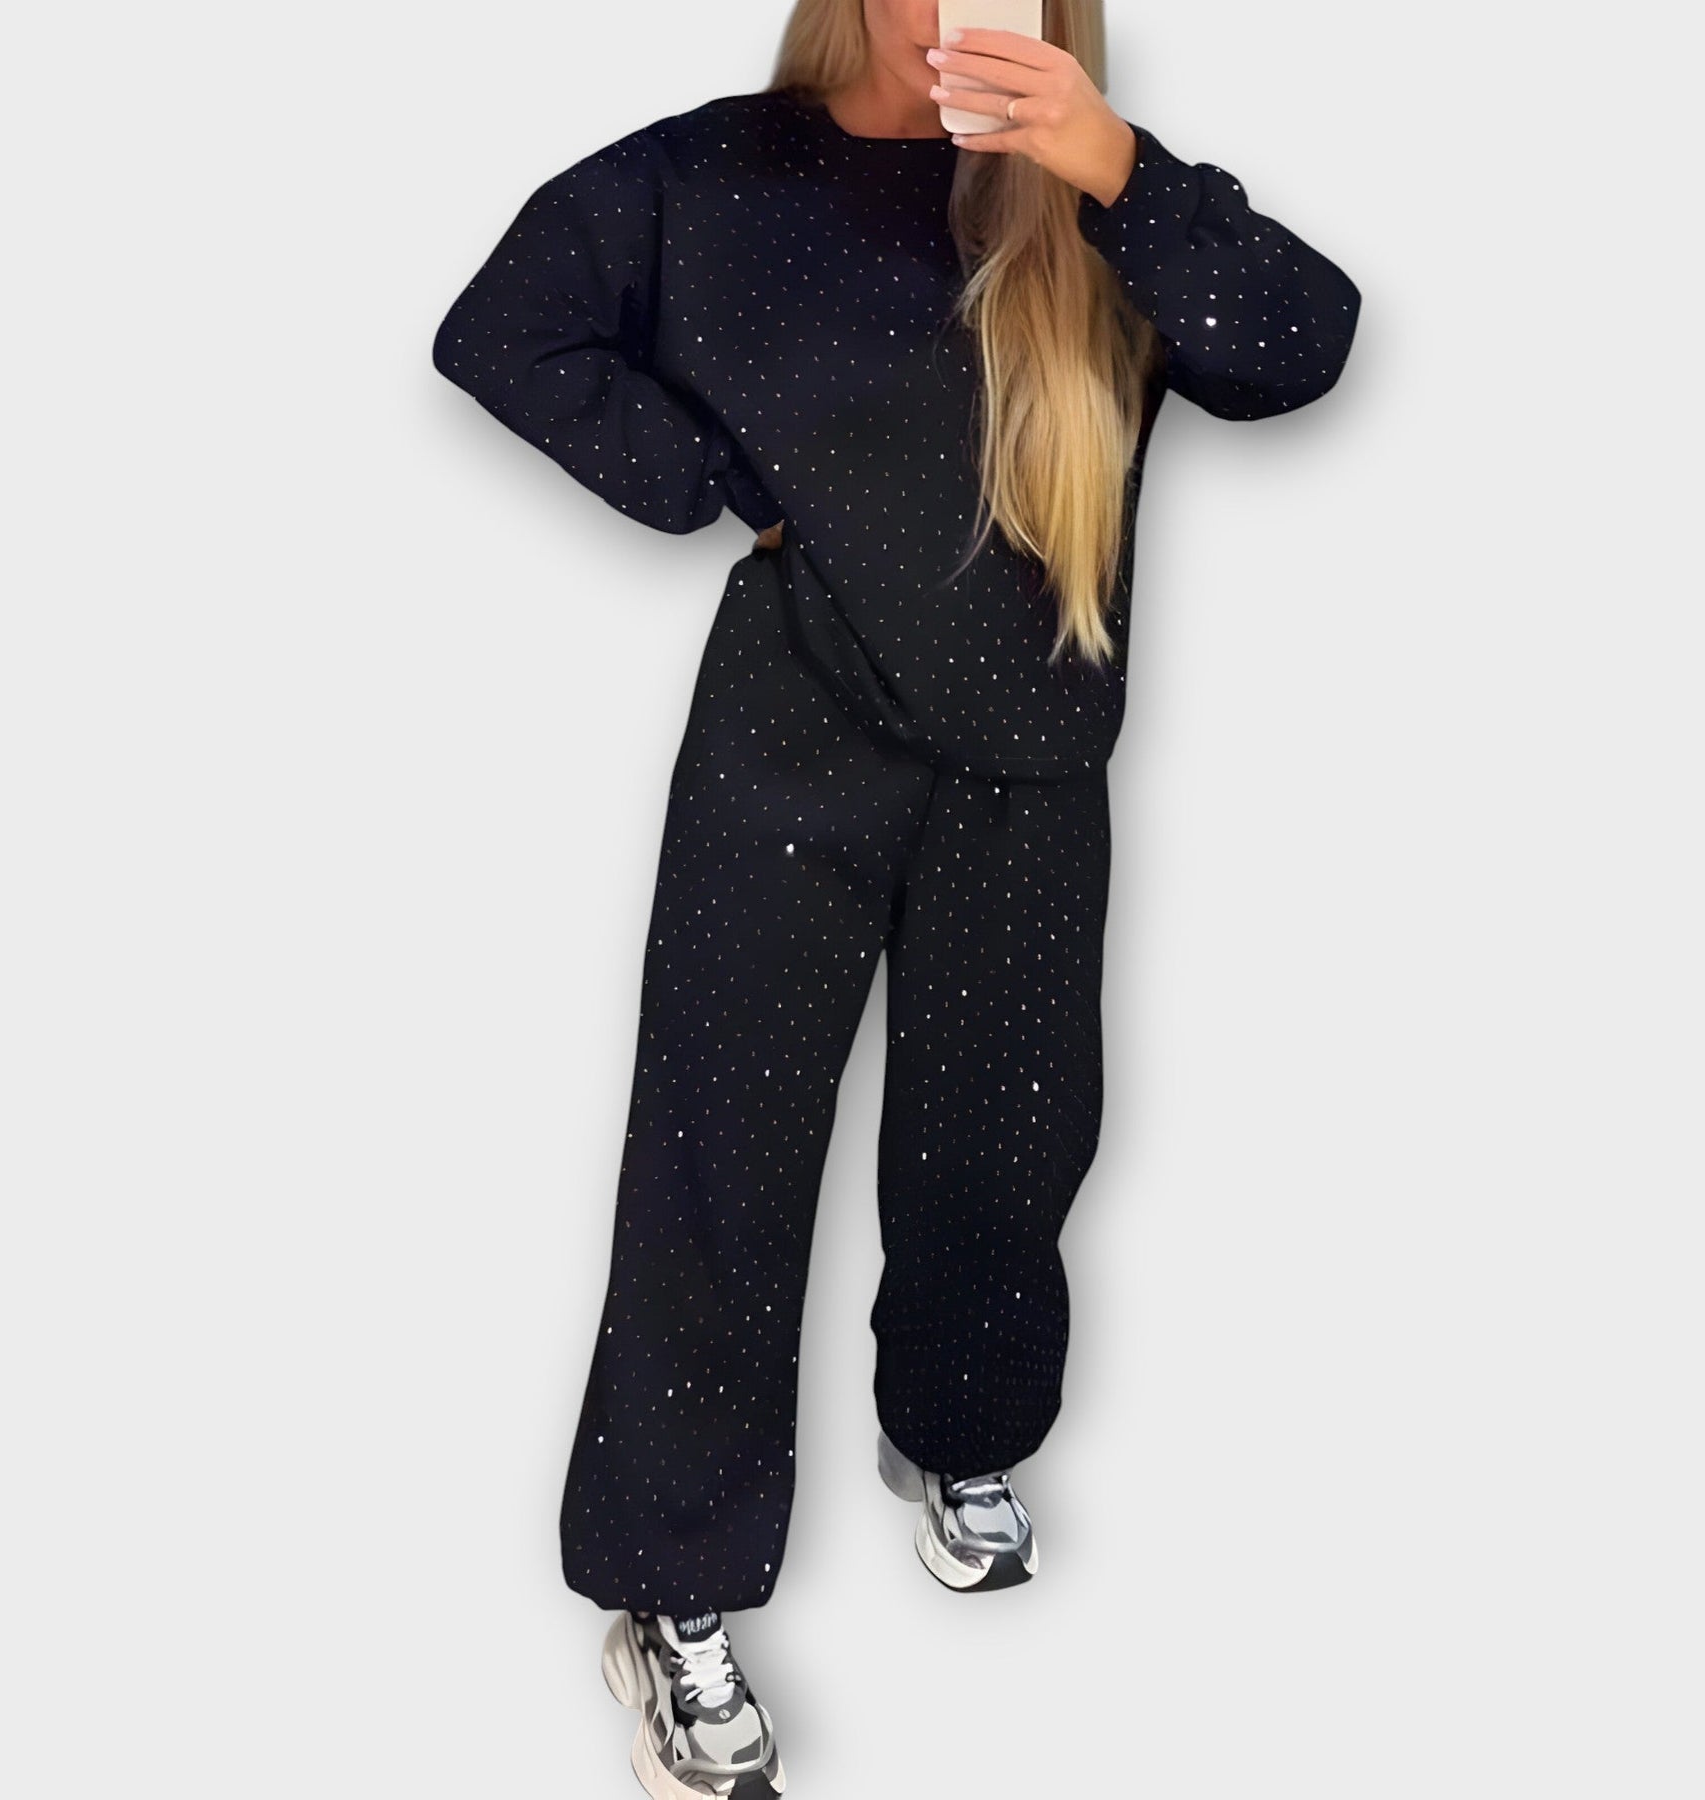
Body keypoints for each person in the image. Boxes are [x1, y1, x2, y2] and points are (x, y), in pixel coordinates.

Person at [431, 2, 1360, 1792]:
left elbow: (1298, 345)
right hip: (792, 734)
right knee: (723, 1154)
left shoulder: (1091, 195)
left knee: (1008, 1139)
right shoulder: (714, 176)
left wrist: (1111, 165)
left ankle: (957, 1430)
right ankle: (672, 1591)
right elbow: (504, 326)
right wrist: (706, 486)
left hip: (1033, 752)